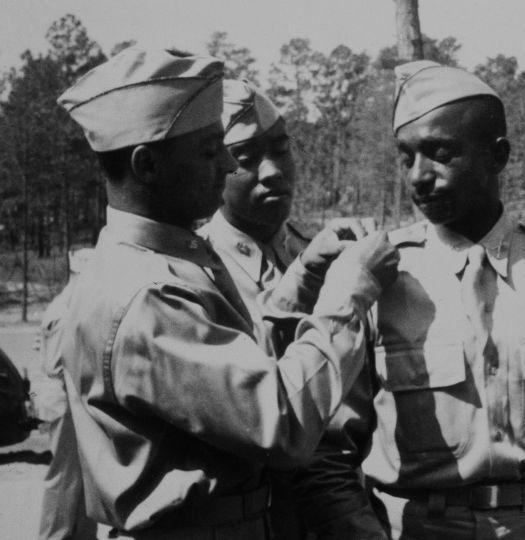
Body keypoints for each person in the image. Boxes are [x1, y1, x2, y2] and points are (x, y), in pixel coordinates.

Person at [55, 47, 398, 538]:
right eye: (211, 150)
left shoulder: (158, 265)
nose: (227, 165)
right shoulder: (148, 295)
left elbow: (231, 367)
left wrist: (302, 280)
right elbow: (280, 422)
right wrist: (348, 294)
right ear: (147, 165)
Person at [291, 60, 525, 540]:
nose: (418, 177)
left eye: (439, 153)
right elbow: (327, 457)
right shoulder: (377, 277)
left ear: (498, 156)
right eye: (406, 157)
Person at [197, 78, 378, 539]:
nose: (274, 170)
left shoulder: (328, 256)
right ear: (214, 166)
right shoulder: (193, 271)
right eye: (246, 157)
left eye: (281, 149)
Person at [36, 248, 97, 540]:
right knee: (63, 479)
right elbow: (59, 366)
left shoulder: (75, 305)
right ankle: (55, 536)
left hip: (73, 402)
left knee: (83, 481)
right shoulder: (65, 310)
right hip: (66, 402)